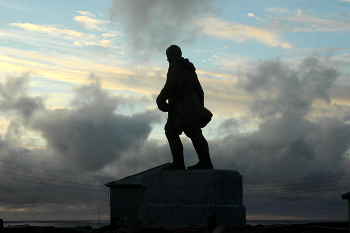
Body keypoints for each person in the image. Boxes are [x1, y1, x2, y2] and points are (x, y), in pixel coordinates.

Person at [156, 45, 213, 170]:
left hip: (181, 105)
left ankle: (199, 162)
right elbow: (199, 90)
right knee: (174, 131)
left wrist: (160, 99)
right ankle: (182, 162)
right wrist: (198, 106)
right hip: (190, 103)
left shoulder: (176, 65)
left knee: (190, 131)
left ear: (169, 56)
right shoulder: (189, 68)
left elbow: (173, 84)